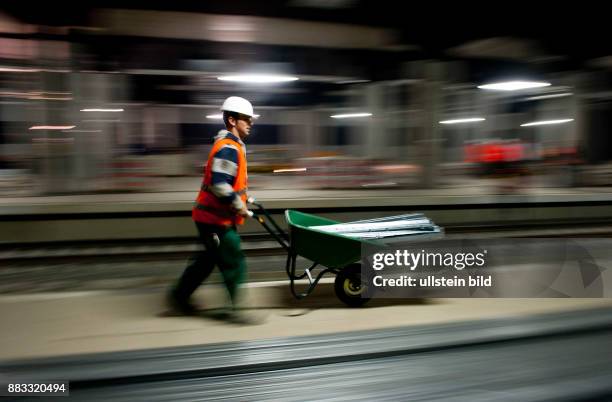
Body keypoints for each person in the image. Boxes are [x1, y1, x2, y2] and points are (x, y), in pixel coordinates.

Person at [168, 96, 256, 322]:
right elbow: (219, 184)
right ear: (232, 120)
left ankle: (179, 297)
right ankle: (237, 311)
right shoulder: (228, 147)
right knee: (232, 258)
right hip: (215, 219)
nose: (250, 123)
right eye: (246, 119)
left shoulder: (233, 146)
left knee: (206, 261)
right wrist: (240, 207)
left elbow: (231, 182)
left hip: (212, 216)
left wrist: (245, 199)